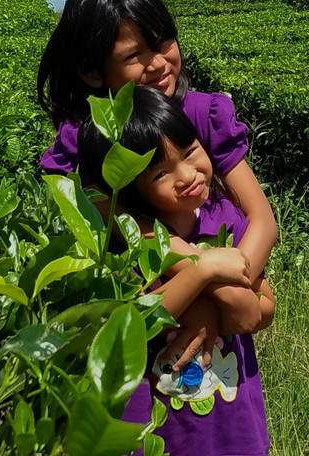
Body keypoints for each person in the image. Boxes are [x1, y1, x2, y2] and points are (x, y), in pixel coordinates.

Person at [37, 0, 278, 365]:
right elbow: (138, 231)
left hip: (227, 312)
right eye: (133, 56)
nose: (158, 63)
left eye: (162, 41)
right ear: (92, 71)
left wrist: (234, 293)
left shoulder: (203, 114)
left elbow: (262, 220)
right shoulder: (88, 140)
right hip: (150, 322)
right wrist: (216, 292)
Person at [78, 86, 273, 456]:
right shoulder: (127, 244)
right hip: (165, 430)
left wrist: (214, 304)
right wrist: (202, 271)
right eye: (160, 174)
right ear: (133, 190)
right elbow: (132, 325)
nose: (187, 175)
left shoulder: (224, 218)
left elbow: (261, 308)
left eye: (190, 152)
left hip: (232, 426)